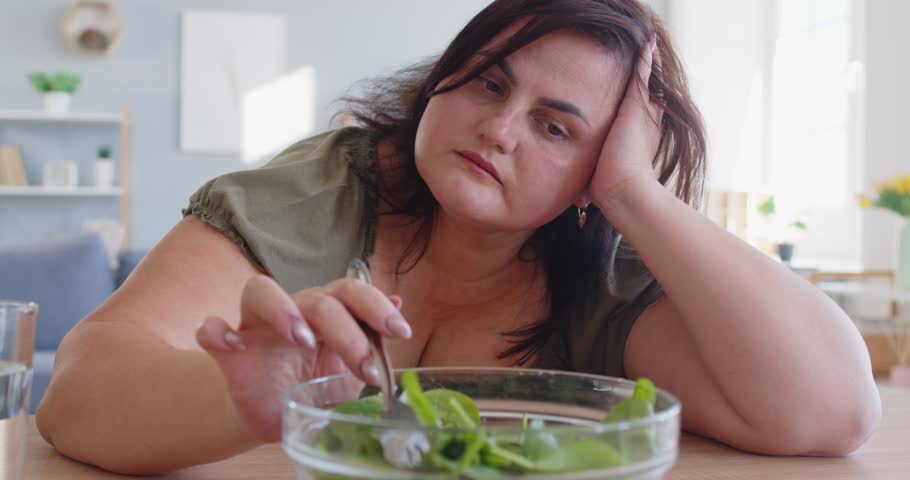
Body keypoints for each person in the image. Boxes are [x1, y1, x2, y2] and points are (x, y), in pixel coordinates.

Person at [36, 0, 880, 474]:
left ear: (599, 174)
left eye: (557, 129)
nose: (500, 128)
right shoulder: (322, 189)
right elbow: (76, 396)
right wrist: (240, 401)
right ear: (442, 82)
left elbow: (834, 412)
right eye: (487, 83)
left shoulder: (614, 274)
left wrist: (635, 194)